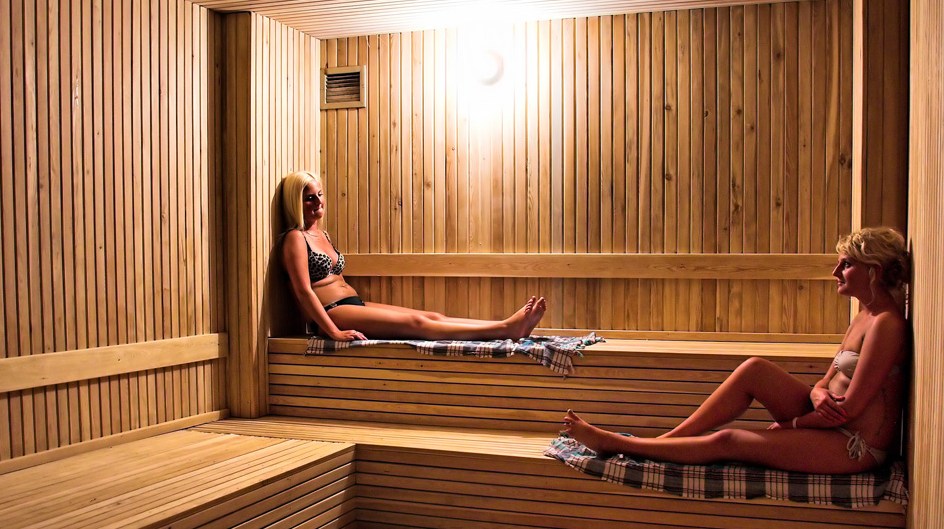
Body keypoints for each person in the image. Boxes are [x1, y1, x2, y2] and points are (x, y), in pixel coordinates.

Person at [562, 227, 909, 473]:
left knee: (730, 440)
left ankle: (622, 445)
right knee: (754, 369)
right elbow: (827, 379)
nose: (835, 272)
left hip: (853, 442)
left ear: (874, 271)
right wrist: (817, 393)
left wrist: (791, 425)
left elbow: (849, 410)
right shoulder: (864, 314)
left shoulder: (886, 325)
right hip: (825, 417)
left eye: (846, 264)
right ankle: (668, 442)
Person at [278, 170, 548, 342]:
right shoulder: (295, 238)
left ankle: (504, 325)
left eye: (320, 194)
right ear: (295, 202)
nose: (318, 202)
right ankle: (506, 330)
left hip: (352, 305)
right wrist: (333, 331)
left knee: (433, 316)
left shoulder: (323, 235)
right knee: (417, 324)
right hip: (331, 313)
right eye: (309, 198)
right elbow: (304, 291)